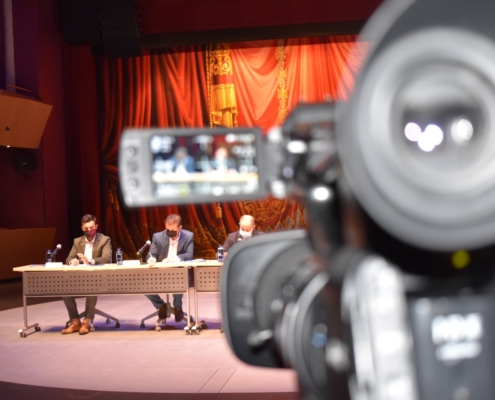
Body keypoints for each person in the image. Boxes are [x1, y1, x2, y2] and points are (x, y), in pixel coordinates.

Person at [62, 214, 112, 335]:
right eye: (86, 229)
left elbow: (106, 258)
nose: (89, 231)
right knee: (64, 290)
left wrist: (89, 261)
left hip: (98, 277)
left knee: (91, 289)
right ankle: (75, 322)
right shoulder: (77, 241)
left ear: (96, 226)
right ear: (82, 228)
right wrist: (71, 262)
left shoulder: (105, 239)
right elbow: (68, 258)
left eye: (91, 228)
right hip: (79, 277)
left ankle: (86, 322)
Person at [146, 214, 194, 322]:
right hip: (160, 273)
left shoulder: (188, 236)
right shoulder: (157, 237)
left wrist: (177, 258)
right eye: (167, 229)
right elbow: (150, 255)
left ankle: (177, 307)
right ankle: (161, 305)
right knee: (143, 286)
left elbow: (189, 254)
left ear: (179, 228)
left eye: (172, 230)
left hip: (179, 273)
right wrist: (151, 259)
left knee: (180, 279)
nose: (169, 232)